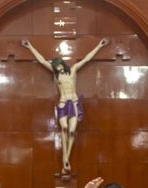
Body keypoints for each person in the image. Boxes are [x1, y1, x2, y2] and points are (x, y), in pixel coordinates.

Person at [21, 38, 109, 173]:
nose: (57, 67)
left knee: (72, 132)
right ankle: (64, 158)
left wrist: (99, 46)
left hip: (73, 103)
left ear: (62, 64)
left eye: (58, 65)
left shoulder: (73, 71)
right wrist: (30, 47)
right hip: (62, 103)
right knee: (64, 128)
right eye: (55, 66)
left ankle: (66, 157)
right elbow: (42, 60)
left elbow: (86, 59)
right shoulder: (56, 76)